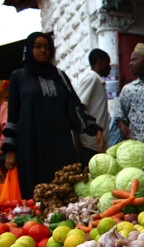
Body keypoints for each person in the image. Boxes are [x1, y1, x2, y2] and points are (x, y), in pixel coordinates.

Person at [2, 32, 104, 199]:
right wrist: (10, 150)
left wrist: (94, 128)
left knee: (64, 189)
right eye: (38, 47)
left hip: (59, 144)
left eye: (47, 48)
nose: (43, 51)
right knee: (36, 193)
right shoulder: (18, 77)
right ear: (29, 49)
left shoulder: (59, 76)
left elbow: (75, 104)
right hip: (31, 144)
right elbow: (12, 117)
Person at [75, 48, 112, 167]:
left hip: (97, 144)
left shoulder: (98, 81)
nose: (110, 68)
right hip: (90, 144)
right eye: (108, 63)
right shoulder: (92, 79)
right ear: (100, 61)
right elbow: (79, 107)